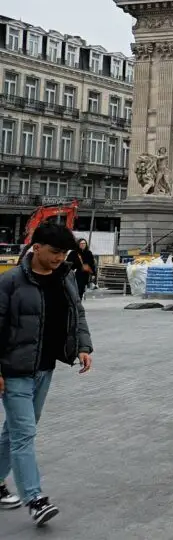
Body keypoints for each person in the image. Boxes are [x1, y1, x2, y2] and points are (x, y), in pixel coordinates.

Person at [0, 222, 94, 526]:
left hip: (44, 369)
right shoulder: (10, 282)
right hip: (14, 370)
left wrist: (83, 346)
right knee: (24, 434)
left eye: (63, 253)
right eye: (54, 252)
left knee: (13, 431)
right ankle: (36, 499)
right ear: (36, 247)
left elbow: (76, 311)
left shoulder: (64, 277)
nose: (58, 258)